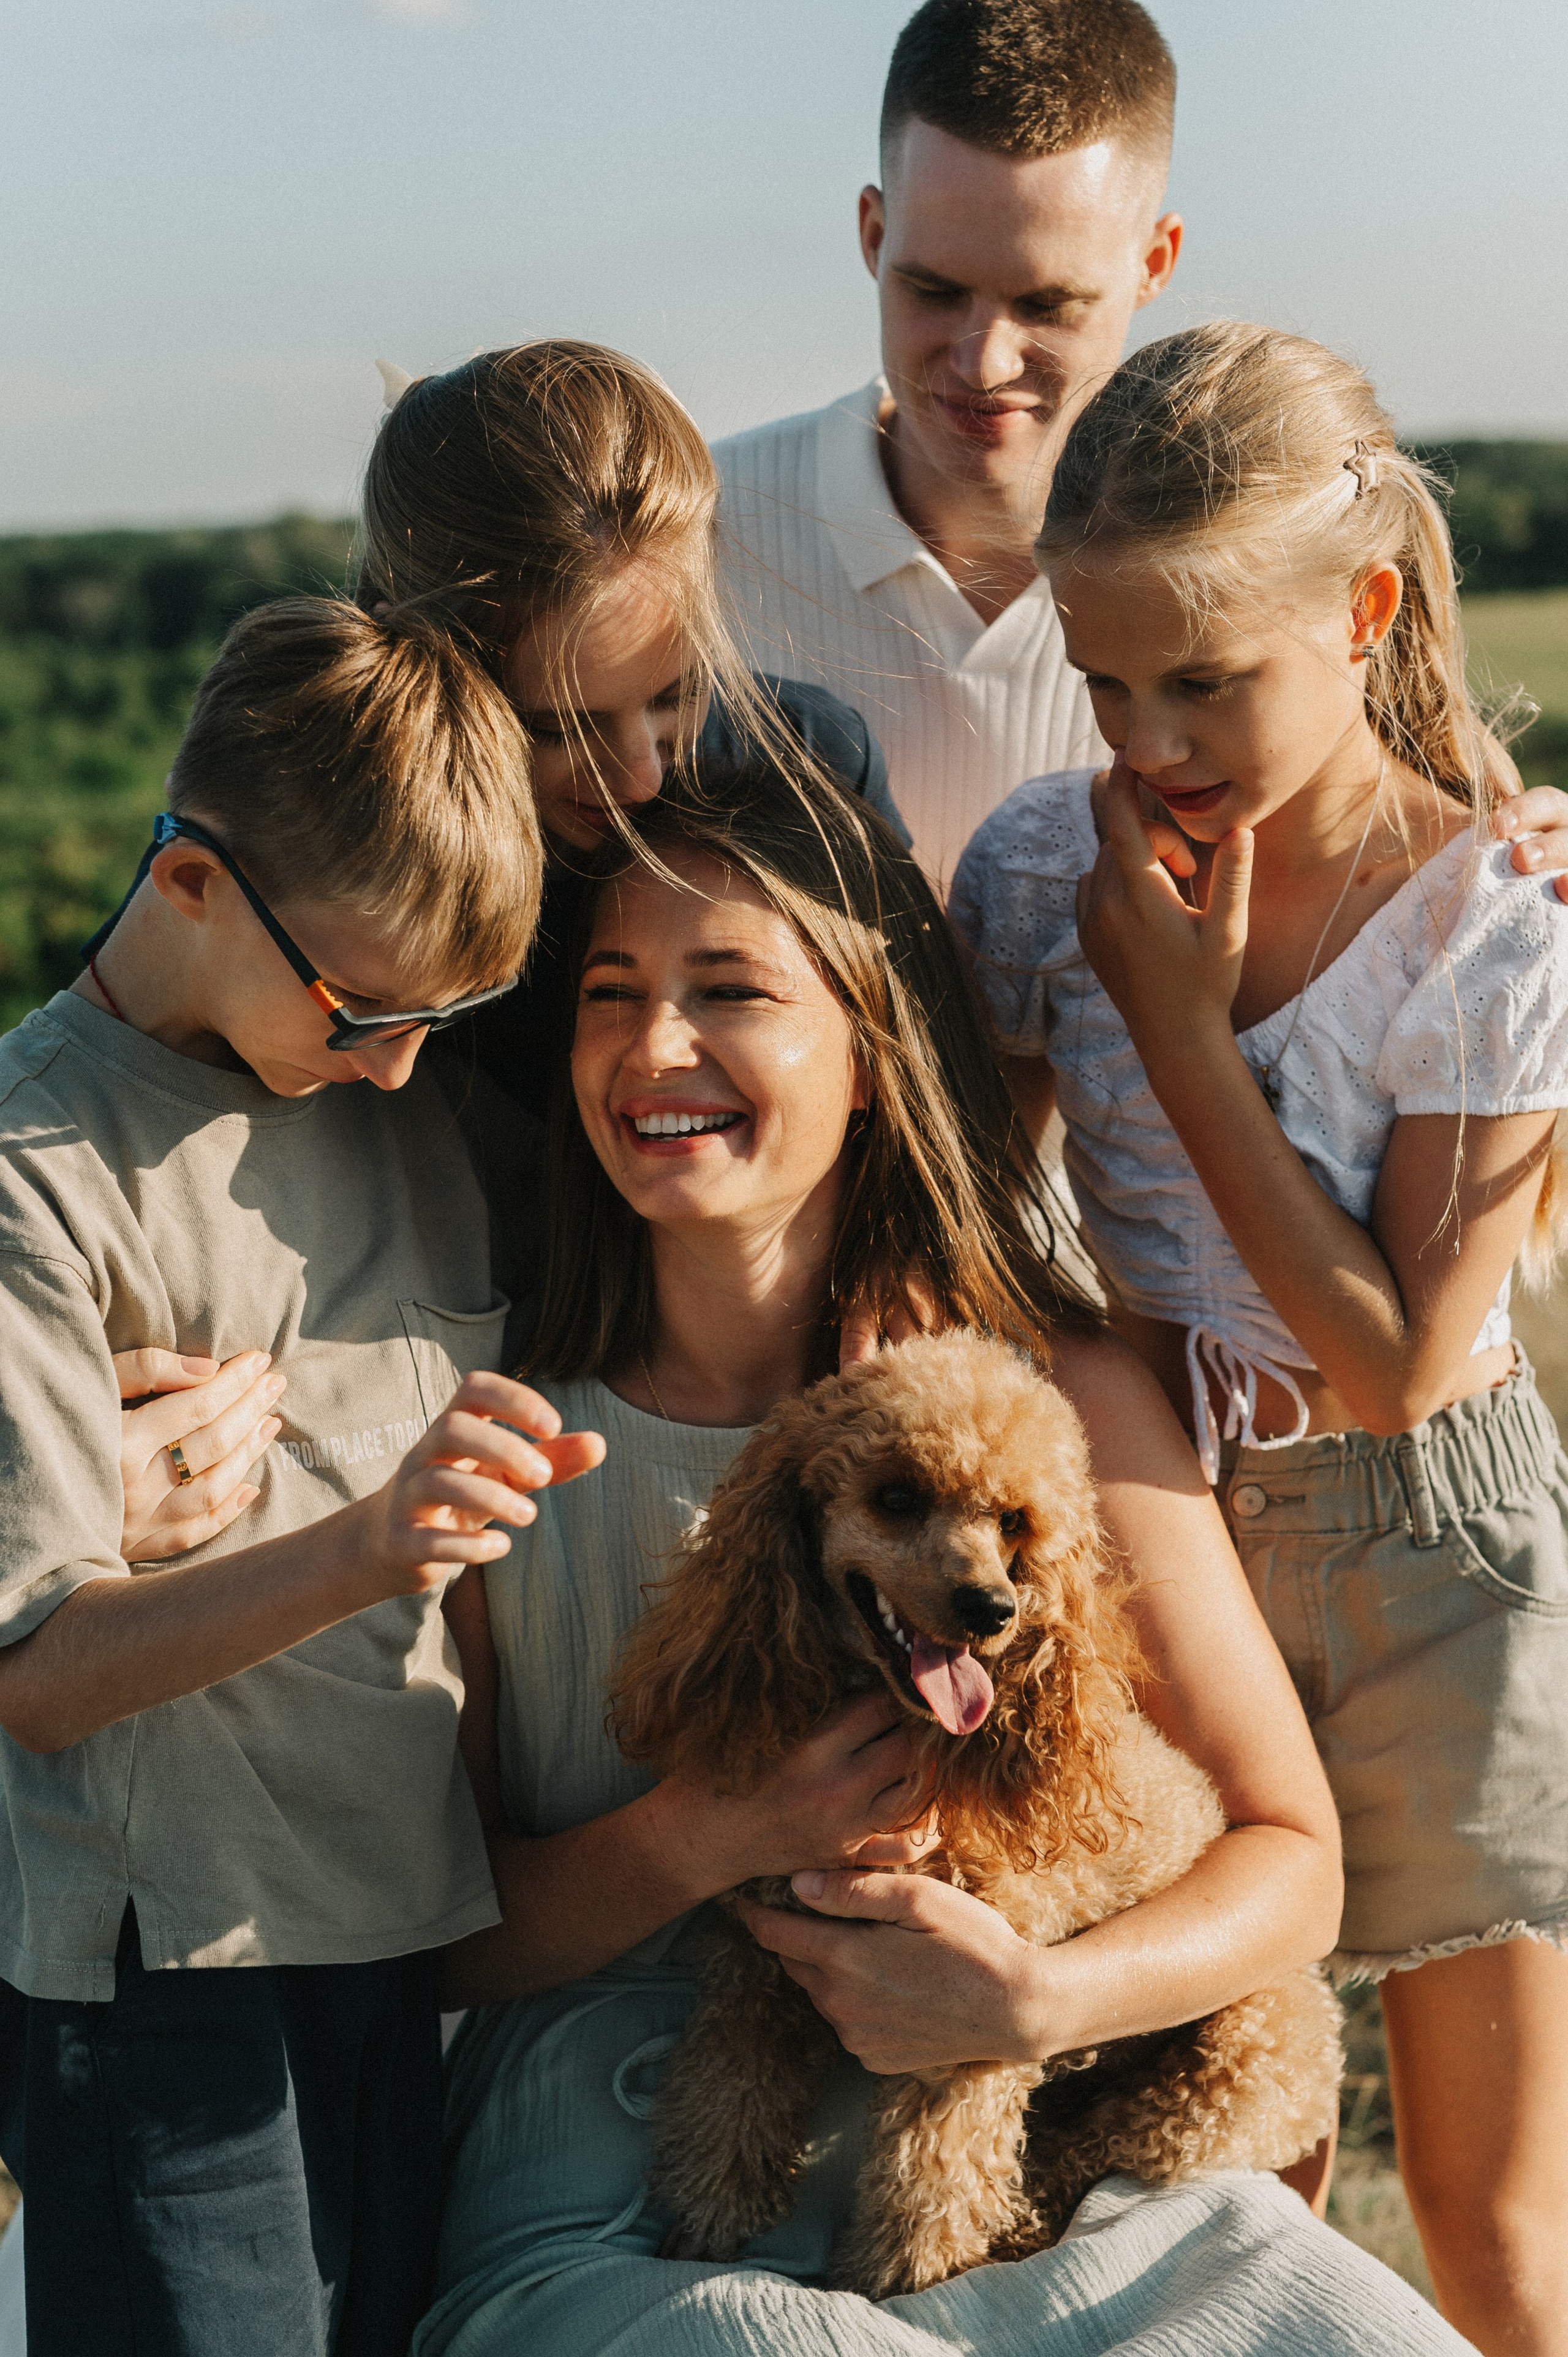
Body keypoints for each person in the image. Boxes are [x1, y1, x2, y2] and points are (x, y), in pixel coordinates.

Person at [412, 761, 1464, 2356]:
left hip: (1036, 2157)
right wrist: (713, 1834)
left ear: (871, 1050)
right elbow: (436, 1933)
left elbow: (1286, 1856)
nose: (654, 1048)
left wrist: (1041, 2005)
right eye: (611, 994)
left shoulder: (1060, 1400)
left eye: (731, 990)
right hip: (623, 2185)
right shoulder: (494, 1422)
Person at [950, 321, 1568, 2355]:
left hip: (1434, 1566)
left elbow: (1396, 1358)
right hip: (1169, 1554)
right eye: (1104, 675)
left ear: (1365, 606)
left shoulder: (1487, 920)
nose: (1150, 733)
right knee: (1211, 2188)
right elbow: (971, 1213)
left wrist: (1181, 1021)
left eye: (1206, 676)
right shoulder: (1049, 868)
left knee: (1491, 2227)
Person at [0, 598, 603, 2357]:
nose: (401, 1065)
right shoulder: (39, 1177)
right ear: (190, 880)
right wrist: (370, 1543)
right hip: (162, 1980)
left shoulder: (406, 1101)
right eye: (360, 1010)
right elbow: (38, 1677)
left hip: (400, 1943)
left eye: (443, 1015)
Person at [714, 0, 1568, 897]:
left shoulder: (1258, 580)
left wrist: (1520, 865)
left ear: (1156, 262)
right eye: (933, 289)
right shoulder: (703, 533)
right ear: (873, 237)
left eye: (1048, 305)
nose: (985, 359)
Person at [356, 339, 909, 1124]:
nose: (640, 777)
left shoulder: (811, 765)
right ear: (410, 661)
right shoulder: (325, 838)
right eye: (556, 729)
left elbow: (922, 1103)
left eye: (676, 695)